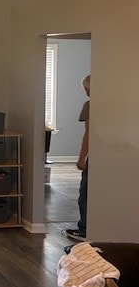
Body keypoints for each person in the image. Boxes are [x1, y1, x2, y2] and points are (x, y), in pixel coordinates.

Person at [65, 74, 90, 241]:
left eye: (86, 89)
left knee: (85, 194)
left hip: (96, 158)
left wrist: (81, 159)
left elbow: (89, 134)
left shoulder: (90, 105)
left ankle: (85, 230)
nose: (86, 92)